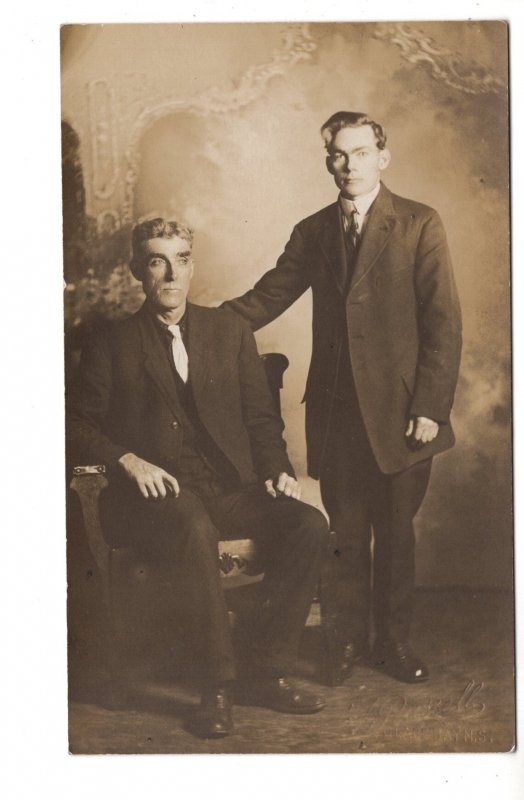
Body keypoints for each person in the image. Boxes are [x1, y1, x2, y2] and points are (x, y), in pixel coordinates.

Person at [223, 111, 462, 684]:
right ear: (327, 159)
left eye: (360, 152)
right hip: (337, 415)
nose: (348, 165)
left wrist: (429, 405)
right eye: (337, 154)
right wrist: (194, 324)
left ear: (383, 156)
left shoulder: (418, 223)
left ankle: (394, 646)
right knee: (345, 537)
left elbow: (443, 322)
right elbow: (266, 298)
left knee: (396, 536)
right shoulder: (313, 231)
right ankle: (346, 643)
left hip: (406, 417)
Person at [68, 217, 328, 738]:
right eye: (156, 261)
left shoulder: (228, 332)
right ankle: (217, 686)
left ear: (192, 266)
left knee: (308, 524)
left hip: (226, 489)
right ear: (139, 270)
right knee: (192, 523)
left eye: (181, 259)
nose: (170, 273)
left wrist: (276, 470)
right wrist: (127, 460)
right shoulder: (111, 342)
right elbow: (73, 422)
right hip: (152, 498)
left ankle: (268, 670)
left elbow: (260, 419)